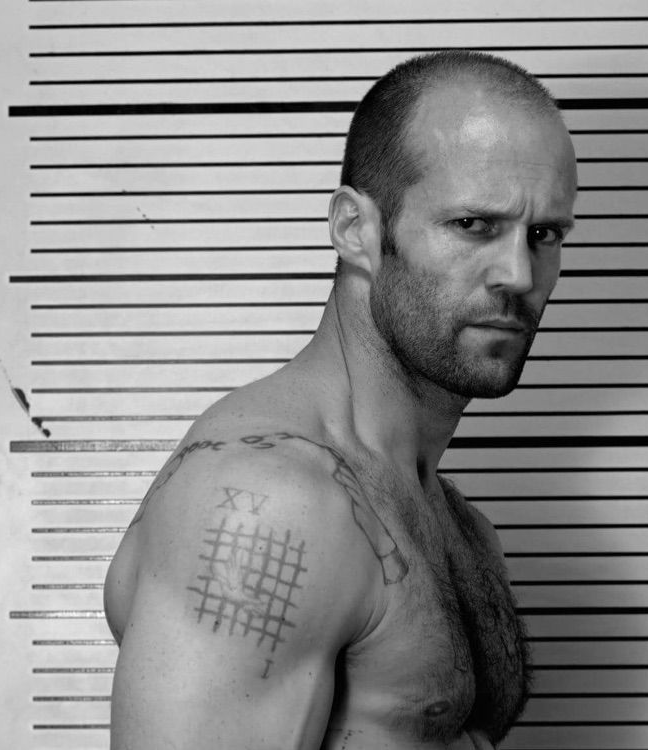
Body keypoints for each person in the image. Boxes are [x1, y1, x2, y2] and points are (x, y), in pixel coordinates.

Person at [104, 49, 577, 749]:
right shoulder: (268, 505)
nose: (518, 274)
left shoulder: (454, 521)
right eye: (473, 225)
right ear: (356, 229)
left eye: (543, 235)